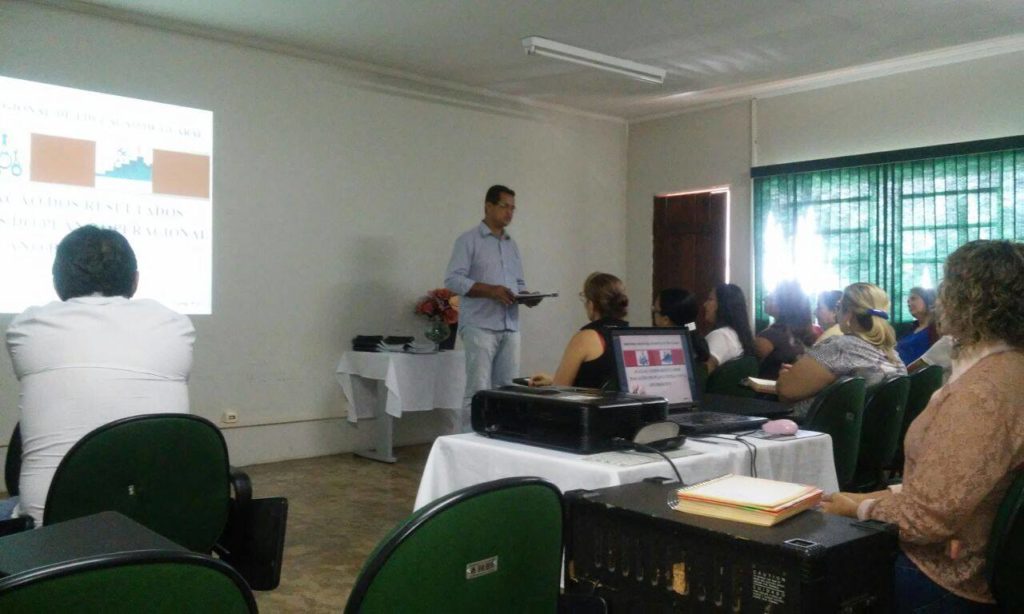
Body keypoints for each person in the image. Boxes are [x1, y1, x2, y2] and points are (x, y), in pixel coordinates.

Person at [822, 240, 1024, 611]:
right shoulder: (1010, 369)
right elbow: (954, 487)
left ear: (967, 297)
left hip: (943, 579)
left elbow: (928, 519)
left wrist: (856, 509)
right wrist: (868, 498)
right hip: (970, 557)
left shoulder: (982, 393)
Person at [2, 225, 194, 523]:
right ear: (135, 280)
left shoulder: (25, 328)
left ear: (56, 282)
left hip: (52, 536)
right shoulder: (177, 326)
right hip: (163, 527)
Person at [444, 185, 541, 431]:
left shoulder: (511, 245)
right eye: (504, 206)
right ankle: (467, 443)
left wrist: (527, 297)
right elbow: (453, 280)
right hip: (480, 326)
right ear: (488, 206)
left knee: (507, 390)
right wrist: (491, 290)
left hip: (510, 325)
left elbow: (518, 284)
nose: (509, 213)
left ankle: (501, 439)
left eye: (513, 208)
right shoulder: (468, 240)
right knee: (477, 390)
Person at [776, 283, 906, 421]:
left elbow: (787, 391)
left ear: (849, 313)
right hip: (870, 433)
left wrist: (785, 376)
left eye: (838, 307)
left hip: (812, 430)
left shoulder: (839, 347)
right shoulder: (894, 356)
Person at [529, 272, 628, 388]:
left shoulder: (585, 338)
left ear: (591, 304)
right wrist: (552, 380)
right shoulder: (629, 335)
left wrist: (554, 383)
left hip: (589, 400)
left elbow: (560, 389)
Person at [754, 281, 818, 379]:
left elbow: (748, 371)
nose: (765, 299)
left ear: (784, 304)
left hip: (771, 387)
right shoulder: (808, 333)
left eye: (772, 297)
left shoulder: (768, 338)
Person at [702, 284, 756, 374]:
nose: (705, 304)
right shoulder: (736, 334)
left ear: (724, 305)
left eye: (710, 299)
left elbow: (701, 375)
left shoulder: (721, 336)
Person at [652, 287, 709, 363]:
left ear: (665, 320)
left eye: (654, 310)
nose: (653, 314)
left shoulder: (662, 350)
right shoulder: (698, 346)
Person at [895, 286, 940, 365]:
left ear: (928, 300)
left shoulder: (937, 329)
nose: (909, 304)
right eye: (908, 301)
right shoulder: (910, 328)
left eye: (913, 299)